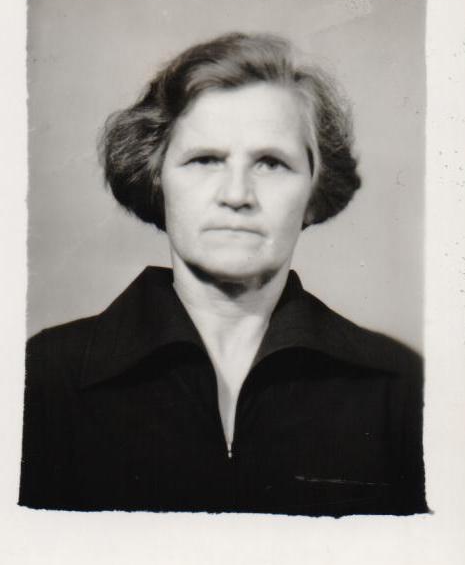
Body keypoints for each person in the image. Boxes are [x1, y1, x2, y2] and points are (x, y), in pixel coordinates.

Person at [19, 32, 428, 516]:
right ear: (156, 178)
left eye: (271, 163)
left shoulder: (400, 386)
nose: (237, 195)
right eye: (205, 160)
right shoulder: (45, 377)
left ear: (315, 192)